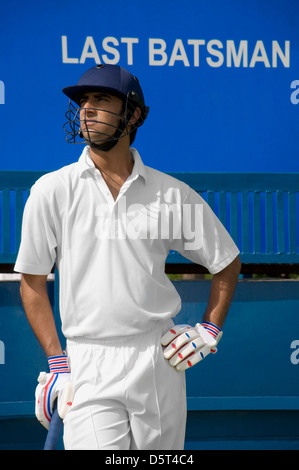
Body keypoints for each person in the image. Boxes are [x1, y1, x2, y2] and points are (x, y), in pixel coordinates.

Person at [15, 64, 241, 450]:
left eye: (101, 100)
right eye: (83, 100)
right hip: (87, 360)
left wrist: (209, 329)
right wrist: (57, 363)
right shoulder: (51, 190)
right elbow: (32, 282)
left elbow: (226, 261)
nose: (87, 108)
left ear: (133, 114)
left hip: (159, 358)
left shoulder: (172, 193)